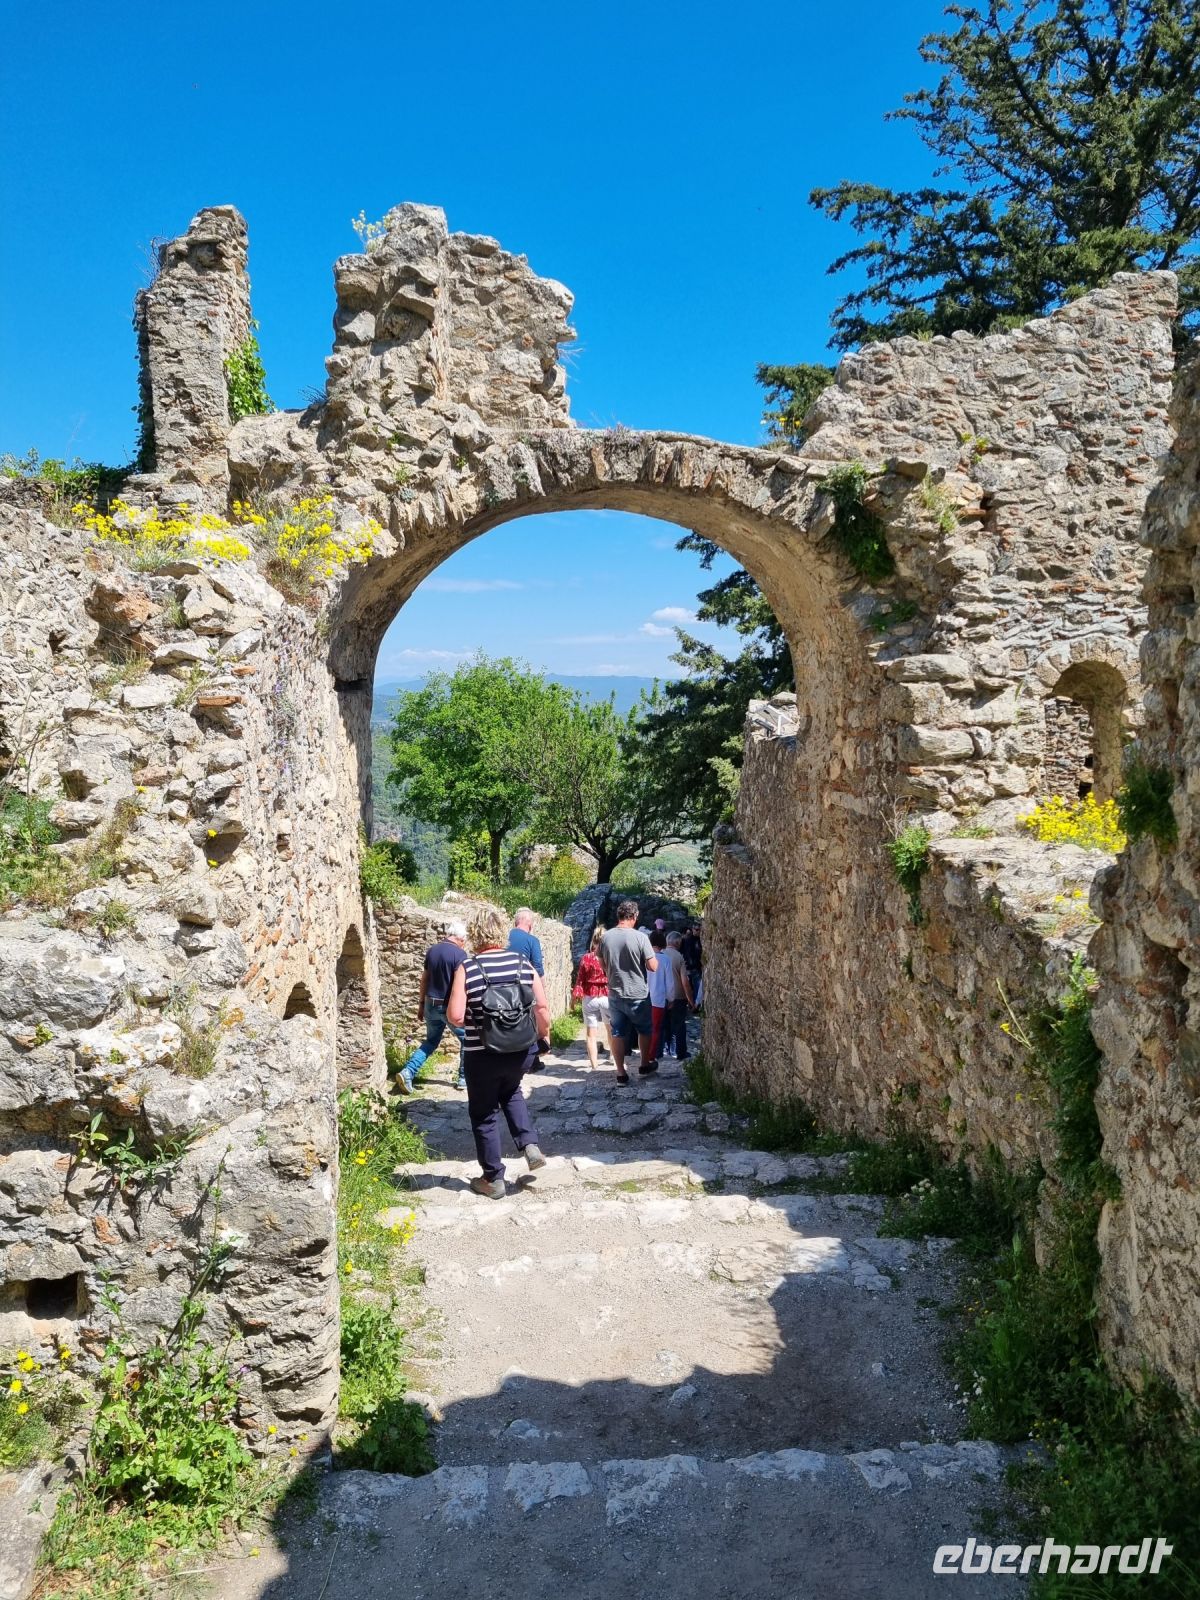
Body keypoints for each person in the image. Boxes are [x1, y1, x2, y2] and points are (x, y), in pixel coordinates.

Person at [447, 905, 550, 1199]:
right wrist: (543, 1036)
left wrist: (474, 1017)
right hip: (520, 1050)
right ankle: (529, 1144)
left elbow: (455, 1016)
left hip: (483, 1054)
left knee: (484, 1113)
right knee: (512, 1090)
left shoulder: (467, 968)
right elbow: (542, 1007)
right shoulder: (522, 963)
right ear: (501, 932)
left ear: (475, 935)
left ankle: (493, 1179)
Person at [395, 920, 469, 1095]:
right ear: (460, 938)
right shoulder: (460, 955)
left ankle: (408, 1072)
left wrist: (421, 1005)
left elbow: (424, 979)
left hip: (430, 1003)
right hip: (448, 1005)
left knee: (431, 1041)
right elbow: (461, 986)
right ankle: (463, 1078)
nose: (464, 943)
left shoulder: (432, 951)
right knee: (467, 1039)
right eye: (464, 940)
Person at [599, 899, 658, 1084]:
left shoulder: (605, 937)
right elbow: (653, 966)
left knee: (617, 1033)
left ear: (619, 916)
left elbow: (602, 964)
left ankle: (620, 1072)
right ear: (634, 916)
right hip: (637, 993)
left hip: (615, 993)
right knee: (644, 1030)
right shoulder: (640, 938)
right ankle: (643, 1064)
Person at [573, 925, 614, 1071]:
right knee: (611, 1030)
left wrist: (575, 997)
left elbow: (580, 980)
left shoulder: (586, 958)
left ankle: (594, 1066)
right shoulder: (610, 957)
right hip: (607, 996)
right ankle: (614, 1059)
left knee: (591, 1034)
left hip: (590, 997)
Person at [661, 931, 695, 1061]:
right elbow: (685, 982)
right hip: (678, 997)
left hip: (662, 997)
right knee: (679, 1025)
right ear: (678, 942)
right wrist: (691, 1001)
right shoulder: (679, 957)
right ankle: (680, 1052)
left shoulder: (659, 955)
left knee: (665, 1025)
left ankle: (664, 1050)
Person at [508, 908, 545, 975]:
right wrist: (543, 985)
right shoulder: (532, 940)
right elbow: (538, 967)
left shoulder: (503, 938)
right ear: (530, 924)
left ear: (515, 923)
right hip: (522, 982)